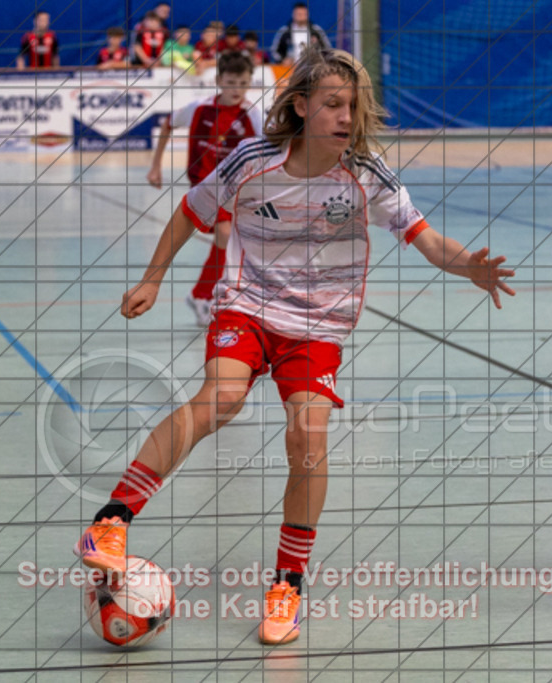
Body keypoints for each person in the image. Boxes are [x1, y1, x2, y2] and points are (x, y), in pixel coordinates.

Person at [76, 47, 515, 646]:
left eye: (353, 106)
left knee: (308, 437)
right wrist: (152, 278)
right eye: (333, 104)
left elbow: (428, 239)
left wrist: (471, 267)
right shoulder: (252, 161)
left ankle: (287, 586)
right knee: (222, 397)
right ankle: (111, 521)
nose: (345, 116)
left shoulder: (367, 174)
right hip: (247, 307)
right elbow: (189, 212)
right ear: (302, 106)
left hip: (318, 328)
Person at [146, 51, 263, 325]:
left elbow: (264, 150)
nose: (237, 90)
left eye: (243, 84)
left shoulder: (252, 114)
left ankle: (204, 294)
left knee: (230, 239)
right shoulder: (199, 108)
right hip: (204, 184)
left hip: (236, 189)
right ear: (219, 80)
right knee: (225, 233)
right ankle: (203, 296)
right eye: (231, 83)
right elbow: (167, 125)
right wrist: (155, 166)